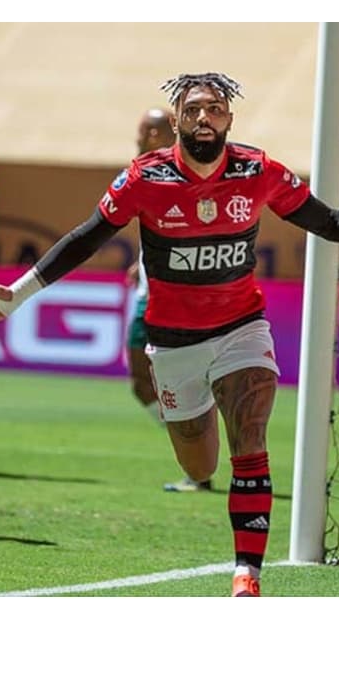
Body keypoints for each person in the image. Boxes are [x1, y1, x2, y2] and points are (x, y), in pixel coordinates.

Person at [0, 73, 339, 596]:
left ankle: (247, 574)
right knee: (199, 460)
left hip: (240, 328)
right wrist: (15, 294)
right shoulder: (145, 177)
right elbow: (84, 238)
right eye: (194, 110)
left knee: (249, 440)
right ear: (177, 118)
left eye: (216, 109)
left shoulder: (259, 170)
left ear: (230, 119)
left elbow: (327, 221)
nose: (205, 118)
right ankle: (196, 428)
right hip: (173, 341)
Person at [122, 108, 208, 492]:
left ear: (159, 134)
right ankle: (197, 460)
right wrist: (139, 262)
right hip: (149, 292)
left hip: (171, 299)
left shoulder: (181, 173)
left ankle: (199, 465)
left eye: (144, 130)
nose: (138, 137)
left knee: (177, 384)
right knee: (143, 384)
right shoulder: (149, 172)